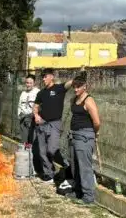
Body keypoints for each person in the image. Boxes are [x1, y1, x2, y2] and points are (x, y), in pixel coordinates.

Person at [33, 68, 75, 187]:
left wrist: (79, 76)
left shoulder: (59, 88)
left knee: (52, 149)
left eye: (45, 76)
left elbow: (70, 84)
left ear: (51, 76)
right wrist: (36, 115)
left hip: (55, 123)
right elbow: (35, 106)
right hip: (42, 123)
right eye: (42, 77)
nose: (43, 79)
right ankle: (49, 175)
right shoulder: (41, 93)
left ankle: (66, 165)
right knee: (42, 151)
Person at [65, 75, 101, 205]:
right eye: (74, 87)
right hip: (74, 136)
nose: (75, 89)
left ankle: (88, 196)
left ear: (85, 86)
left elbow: (97, 122)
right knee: (75, 166)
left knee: (84, 167)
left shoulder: (88, 100)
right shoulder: (74, 99)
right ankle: (78, 191)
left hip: (84, 137)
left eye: (78, 87)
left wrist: (94, 133)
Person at [18, 74, 39, 145]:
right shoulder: (23, 93)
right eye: (27, 83)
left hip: (32, 119)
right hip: (23, 118)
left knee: (31, 140)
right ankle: (24, 151)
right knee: (24, 141)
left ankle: (30, 151)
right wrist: (19, 114)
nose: (28, 85)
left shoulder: (37, 92)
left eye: (30, 83)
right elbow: (19, 105)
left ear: (34, 83)